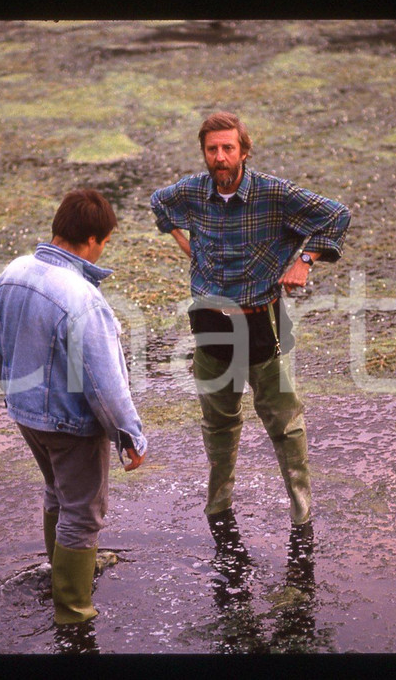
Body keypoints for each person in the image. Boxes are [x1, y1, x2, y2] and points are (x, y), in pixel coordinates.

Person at [150, 111, 350, 547]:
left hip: (262, 321)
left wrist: (304, 260)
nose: (220, 158)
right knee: (217, 421)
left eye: (228, 148)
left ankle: (301, 511)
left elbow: (336, 215)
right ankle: (219, 505)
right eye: (212, 149)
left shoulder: (272, 193)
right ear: (204, 152)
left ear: (244, 150)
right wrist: (189, 246)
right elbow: (158, 203)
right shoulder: (190, 191)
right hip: (208, 320)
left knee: (284, 422)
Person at [0, 189, 147, 626]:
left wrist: (13, 395)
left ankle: (58, 574)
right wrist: (129, 434)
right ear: (93, 240)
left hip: (25, 415)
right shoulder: (83, 300)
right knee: (83, 512)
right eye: (105, 242)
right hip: (71, 425)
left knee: (56, 491)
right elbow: (105, 384)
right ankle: (74, 612)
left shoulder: (13, 272)